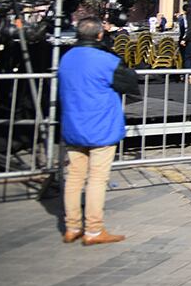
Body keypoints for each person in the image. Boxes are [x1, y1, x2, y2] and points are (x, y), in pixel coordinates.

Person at [59, 17, 139, 245]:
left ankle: (72, 226)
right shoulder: (106, 60)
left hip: (73, 124)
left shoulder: (67, 58)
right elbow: (130, 84)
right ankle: (93, 230)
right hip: (101, 126)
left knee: (74, 178)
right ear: (99, 35)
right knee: (97, 178)